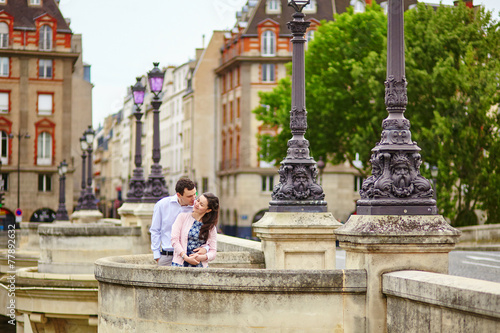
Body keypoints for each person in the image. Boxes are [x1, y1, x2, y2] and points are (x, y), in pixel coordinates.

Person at [149, 178, 207, 266]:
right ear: (179, 195)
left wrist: (205, 248)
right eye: (189, 196)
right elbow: (155, 230)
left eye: (195, 194)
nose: (194, 198)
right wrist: (157, 256)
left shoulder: (197, 208)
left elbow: (207, 232)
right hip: (168, 256)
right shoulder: (162, 205)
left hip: (191, 256)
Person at [171, 192, 219, 268]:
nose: (197, 204)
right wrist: (186, 257)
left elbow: (213, 251)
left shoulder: (211, 227)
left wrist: (201, 257)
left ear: (208, 210)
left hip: (200, 266)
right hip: (180, 264)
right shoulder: (182, 217)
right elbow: (174, 240)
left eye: (201, 205)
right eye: (198, 200)